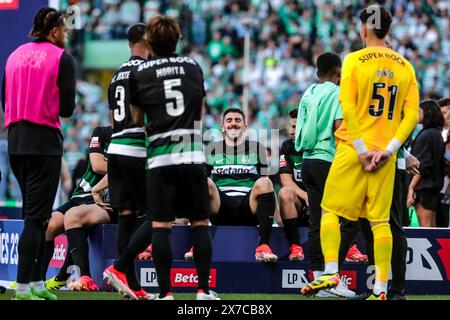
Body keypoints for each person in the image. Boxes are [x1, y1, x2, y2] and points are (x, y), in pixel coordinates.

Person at [301, 5, 419, 300]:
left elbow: (349, 107)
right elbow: (412, 115)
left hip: (353, 150)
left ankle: (330, 272)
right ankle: (380, 289)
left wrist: (362, 149)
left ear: (363, 29)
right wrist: (390, 149)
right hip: (386, 157)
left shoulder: (354, 60)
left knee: (330, 211)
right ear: (388, 30)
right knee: (380, 223)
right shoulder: (405, 67)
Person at [104, 15, 218, 301]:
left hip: (157, 156)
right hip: (190, 151)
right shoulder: (193, 66)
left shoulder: (142, 72)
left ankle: (165, 293)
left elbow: (137, 118)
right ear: (178, 38)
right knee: (200, 223)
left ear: (151, 41)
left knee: (160, 226)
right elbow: (200, 110)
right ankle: (203, 290)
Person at [2, 7, 76, 300]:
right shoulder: (62, 58)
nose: (68, 34)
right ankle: (22, 287)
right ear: (55, 30)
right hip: (43, 140)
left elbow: (4, 99)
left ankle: (35, 283)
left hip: (16, 140)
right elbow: (67, 109)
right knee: (36, 218)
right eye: (65, 29)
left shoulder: (14, 55)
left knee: (36, 216)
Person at [295, 52, 358, 298]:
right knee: (347, 220)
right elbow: (339, 129)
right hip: (328, 160)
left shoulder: (309, 92)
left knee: (317, 221)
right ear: (339, 71)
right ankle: (333, 277)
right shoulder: (337, 94)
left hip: (308, 161)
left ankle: (319, 277)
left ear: (317, 71)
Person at [107, 23, 151, 298]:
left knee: (126, 216)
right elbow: (144, 114)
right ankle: (120, 267)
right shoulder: (145, 71)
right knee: (161, 213)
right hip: (137, 148)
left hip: (116, 147)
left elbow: (113, 117)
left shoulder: (115, 75)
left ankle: (131, 284)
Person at [42, 126, 112, 291]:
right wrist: (124, 167)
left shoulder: (134, 136)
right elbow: (97, 164)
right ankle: (37, 281)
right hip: (81, 195)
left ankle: (84, 278)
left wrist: (126, 168)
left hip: (107, 198)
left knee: (73, 216)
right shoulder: (102, 132)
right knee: (48, 225)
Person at [206, 108, 278, 263]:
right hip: (220, 209)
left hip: (248, 208)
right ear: (222, 127)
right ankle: (200, 241)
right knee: (203, 182)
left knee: (265, 182)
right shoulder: (211, 150)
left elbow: (267, 187)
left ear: (245, 127)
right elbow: (199, 188)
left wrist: (277, 220)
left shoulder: (258, 149)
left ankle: (263, 246)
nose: (233, 124)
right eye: (229, 120)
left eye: (238, 120)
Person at [408, 100, 445, 227]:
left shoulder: (426, 135)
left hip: (424, 190)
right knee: (432, 226)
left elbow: (422, 165)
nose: (416, 114)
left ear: (427, 113)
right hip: (433, 189)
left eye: (419, 111)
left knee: (426, 227)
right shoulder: (436, 134)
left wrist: (411, 187)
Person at [278, 109, 308, 262]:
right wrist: (306, 197)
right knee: (285, 193)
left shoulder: (324, 146)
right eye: (291, 126)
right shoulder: (287, 146)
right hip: (299, 205)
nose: (290, 132)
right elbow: (286, 180)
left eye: (295, 127)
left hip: (322, 205)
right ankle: (296, 246)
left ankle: (350, 247)